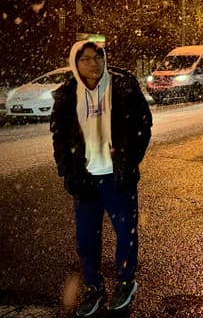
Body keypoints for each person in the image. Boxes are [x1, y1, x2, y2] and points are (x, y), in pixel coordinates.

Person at [50, 40, 152, 316]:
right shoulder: (67, 94)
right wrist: (67, 171)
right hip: (85, 180)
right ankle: (93, 287)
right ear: (75, 63)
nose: (93, 64)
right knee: (85, 239)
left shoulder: (123, 86)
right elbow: (59, 138)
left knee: (125, 235)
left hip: (117, 178)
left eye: (98, 57)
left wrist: (129, 163)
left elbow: (144, 125)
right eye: (85, 59)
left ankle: (125, 281)